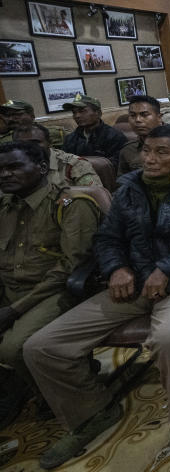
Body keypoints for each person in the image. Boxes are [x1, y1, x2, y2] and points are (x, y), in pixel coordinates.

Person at [24, 125, 170, 468]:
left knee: (168, 337)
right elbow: (108, 237)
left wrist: (166, 268)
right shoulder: (129, 188)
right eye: (146, 150)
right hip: (132, 283)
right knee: (42, 346)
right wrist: (117, 267)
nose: (149, 159)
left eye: (161, 152)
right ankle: (91, 413)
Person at [0, 141, 99, 428]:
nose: (5, 175)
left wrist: (15, 310)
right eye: (1, 169)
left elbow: (71, 266)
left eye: (14, 167)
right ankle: (23, 386)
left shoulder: (70, 204)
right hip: (10, 287)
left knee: (12, 347)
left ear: (42, 168)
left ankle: (81, 401)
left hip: (54, 290)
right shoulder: (4, 207)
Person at [13, 124, 102, 187]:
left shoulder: (73, 164)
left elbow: (95, 197)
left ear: (49, 143)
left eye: (36, 142)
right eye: (22, 144)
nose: (30, 147)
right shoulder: (9, 168)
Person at [61, 94, 127, 167]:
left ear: (98, 113)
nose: (77, 116)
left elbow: (117, 167)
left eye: (82, 111)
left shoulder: (115, 137)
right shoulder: (70, 139)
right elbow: (64, 163)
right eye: (74, 112)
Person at [0, 100, 65, 147]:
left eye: (17, 114)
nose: (11, 118)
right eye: (8, 115)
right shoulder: (3, 140)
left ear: (32, 116)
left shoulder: (56, 132)